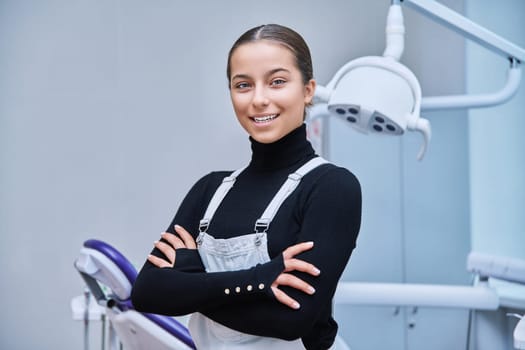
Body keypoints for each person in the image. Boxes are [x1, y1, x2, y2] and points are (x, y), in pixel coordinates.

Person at [131, 23, 362, 350]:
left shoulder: (331, 188)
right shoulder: (209, 191)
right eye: (243, 85)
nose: (259, 99)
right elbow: (147, 293)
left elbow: (290, 320)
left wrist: (192, 281)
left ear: (308, 90)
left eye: (277, 82)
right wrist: (260, 279)